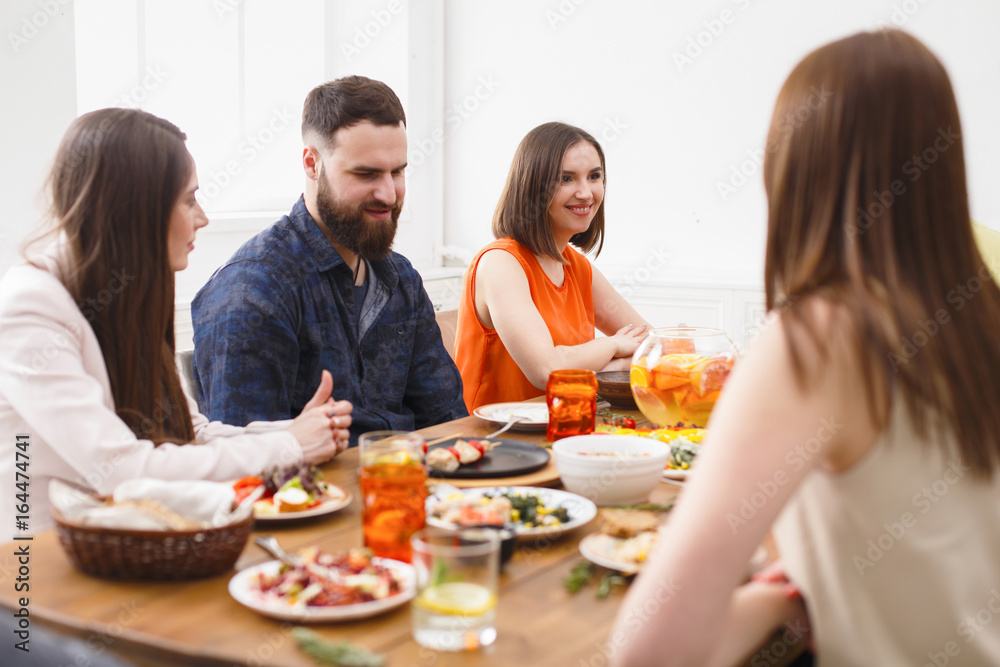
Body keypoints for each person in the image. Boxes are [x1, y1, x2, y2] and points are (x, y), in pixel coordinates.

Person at [610, 30, 1000, 666]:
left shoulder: (819, 337)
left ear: (792, 165)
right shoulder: (983, 319)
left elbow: (648, 650)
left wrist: (782, 595)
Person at [0, 109, 352, 533]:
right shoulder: (29, 306)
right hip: (30, 574)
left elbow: (190, 435)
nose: (201, 217)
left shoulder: (123, 291)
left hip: (126, 547)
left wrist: (296, 431)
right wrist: (289, 446)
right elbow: (121, 470)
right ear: (133, 210)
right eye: (188, 199)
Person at [192, 76, 467, 444]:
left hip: (416, 487)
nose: (388, 193)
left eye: (398, 171)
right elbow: (248, 463)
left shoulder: (400, 278)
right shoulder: (252, 289)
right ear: (312, 163)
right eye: (366, 173)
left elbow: (449, 424)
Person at [454, 122, 650, 411]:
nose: (585, 193)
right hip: (493, 439)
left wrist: (601, 363)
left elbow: (650, 345)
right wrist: (613, 347)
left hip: (566, 425)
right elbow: (548, 371)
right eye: (566, 179)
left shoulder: (577, 266)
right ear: (532, 187)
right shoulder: (500, 263)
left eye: (594, 176)